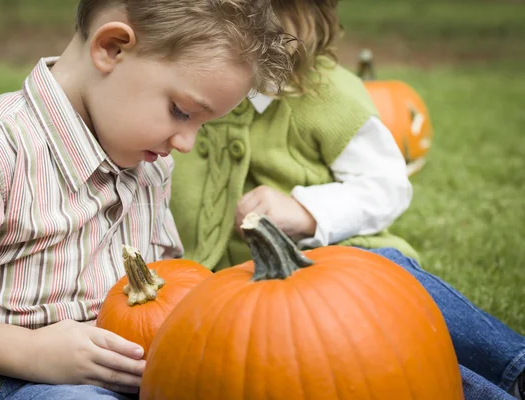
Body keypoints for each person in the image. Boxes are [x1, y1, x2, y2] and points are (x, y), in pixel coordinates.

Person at [0, 0, 292, 399]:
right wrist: (30, 351)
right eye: (181, 111)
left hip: (127, 366)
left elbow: (160, 285)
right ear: (112, 48)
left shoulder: (149, 163)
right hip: (16, 380)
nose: (186, 143)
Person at [169, 0, 525, 398]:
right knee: (389, 366)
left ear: (309, 18)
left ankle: (515, 367)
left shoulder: (327, 95)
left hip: (342, 262)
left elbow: (387, 185)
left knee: (397, 300)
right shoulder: (186, 99)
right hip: (247, 297)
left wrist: (306, 211)